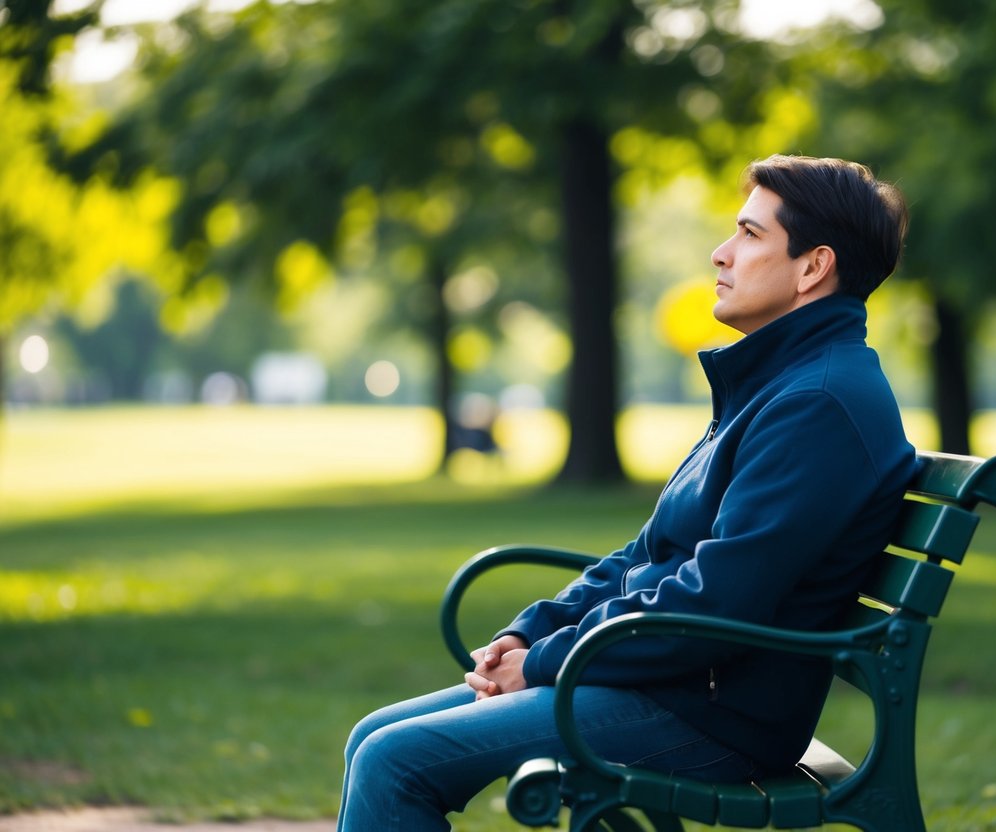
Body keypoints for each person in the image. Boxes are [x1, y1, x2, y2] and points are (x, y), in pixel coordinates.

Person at [336, 154, 917, 832]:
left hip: (713, 713)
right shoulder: (780, 385)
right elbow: (648, 553)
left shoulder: (816, 402)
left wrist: (549, 663)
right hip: (675, 684)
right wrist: (534, 628)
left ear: (812, 267)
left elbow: (716, 596)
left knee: (392, 760)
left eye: (749, 235)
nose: (720, 254)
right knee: (371, 737)